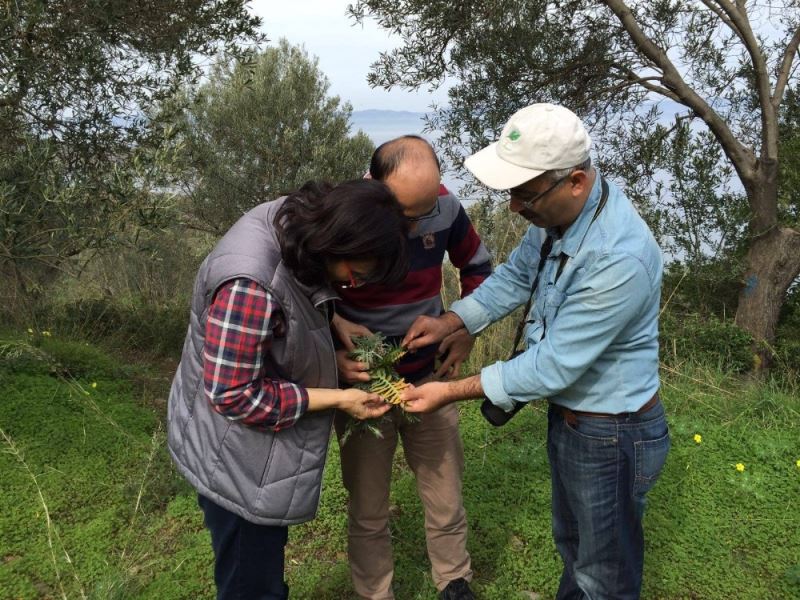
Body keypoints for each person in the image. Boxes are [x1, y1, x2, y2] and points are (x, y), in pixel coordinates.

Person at [400, 104, 670, 600]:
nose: (514, 208)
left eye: (525, 195)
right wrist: (453, 320)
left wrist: (450, 391)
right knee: (574, 547)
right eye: (511, 193)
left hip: (612, 431)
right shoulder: (560, 219)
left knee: (602, 574)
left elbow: (554, 365)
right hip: (576, 420)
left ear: (576, 181)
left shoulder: (618, 257)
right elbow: (516, 276)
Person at [167, 179, 410, 600]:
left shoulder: (290, 221)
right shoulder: (248, 286)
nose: (352, 286)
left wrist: (333, 321)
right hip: (235, 463)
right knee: (252, 584)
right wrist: (339, 397)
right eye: (354, 275)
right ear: (336, 242)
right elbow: (235, 395)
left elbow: (284, 316)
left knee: (262, 568)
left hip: (253, 458)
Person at [331, 135, 491, 600]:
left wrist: (462, 328)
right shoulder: (346, 213)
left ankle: (454, 581)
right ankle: (373, 592)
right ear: (373, 185)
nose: (414, 221)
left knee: (445, 493)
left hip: (431, 376)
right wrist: (334, 327)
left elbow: (478, 265)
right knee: (367, 504)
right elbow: (305, 284)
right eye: (404, 212)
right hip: (363, 385)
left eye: (422, 210)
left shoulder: (443, 207)